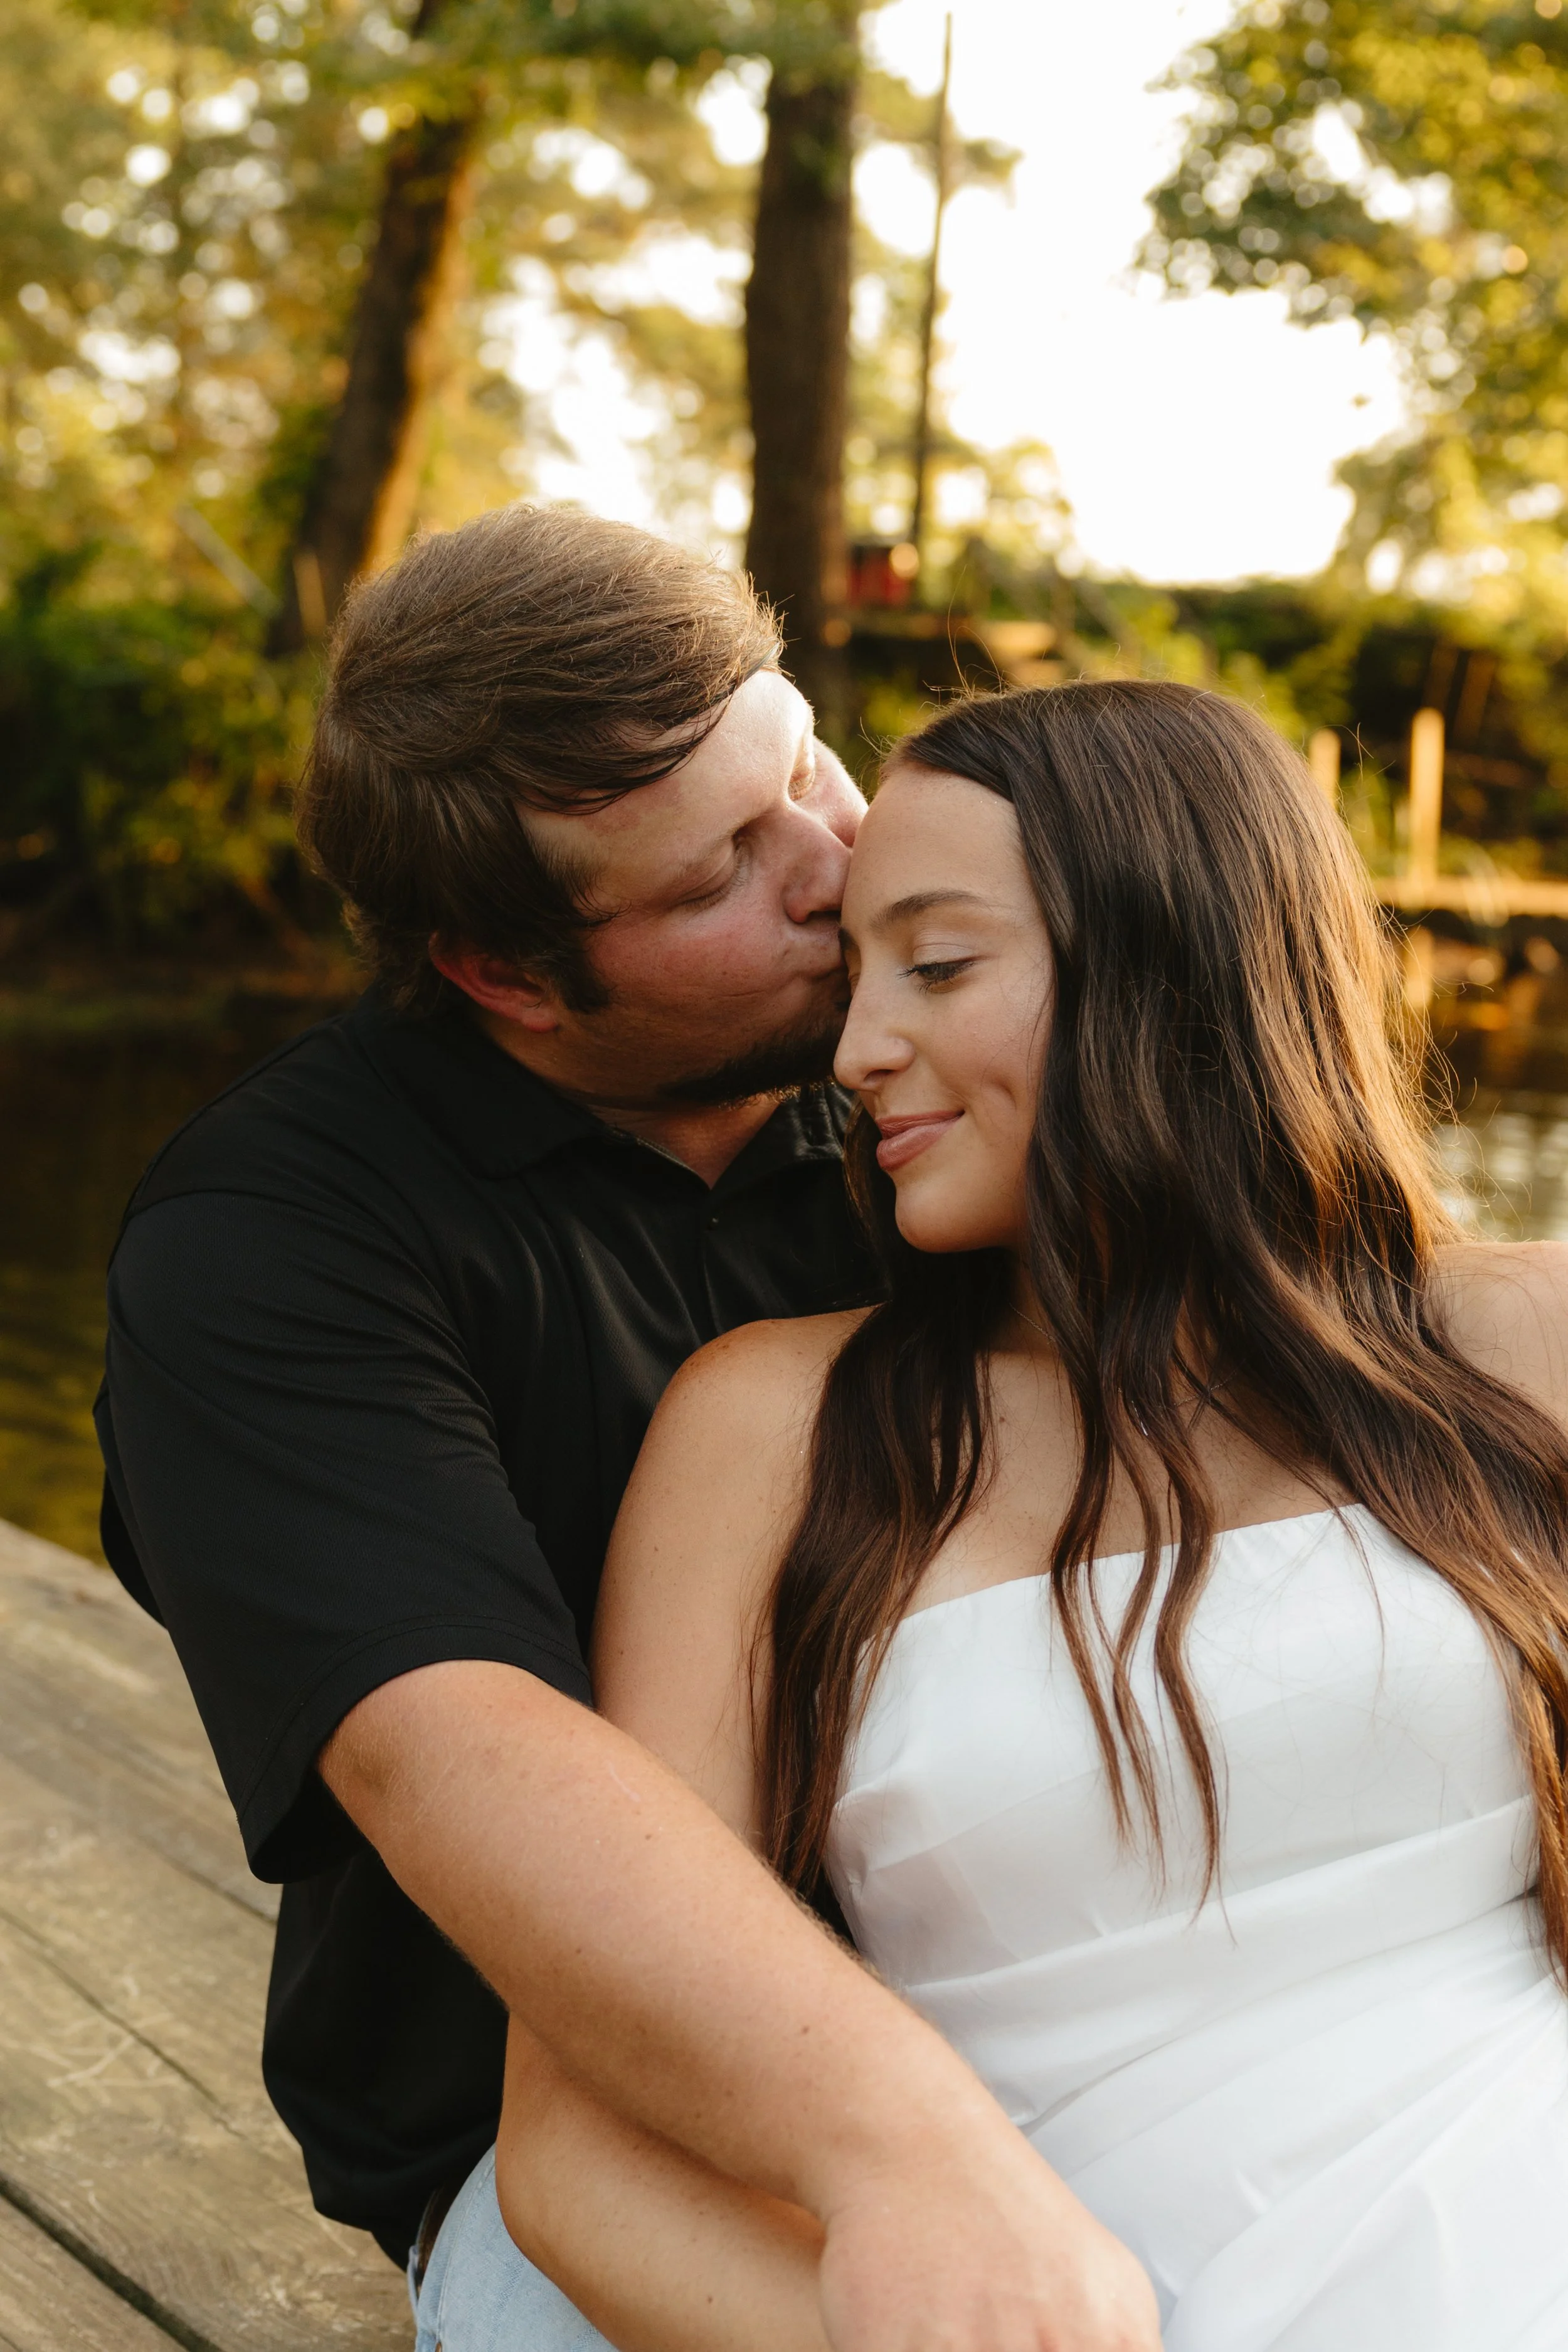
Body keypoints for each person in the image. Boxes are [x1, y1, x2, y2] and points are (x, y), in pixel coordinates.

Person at [96, 508, 1157, 2352]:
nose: (835, 864)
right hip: (604, 2146)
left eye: (807, 760)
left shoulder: (970, 1071)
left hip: (1103, 1989)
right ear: (502, 972)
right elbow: (464, 1753)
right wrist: (910, 2151)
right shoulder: (273, 1248)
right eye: (720, 873)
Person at [469, 679, 1568, 2351]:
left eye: (938, 961)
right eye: (852, 976)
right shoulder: (772, 1430)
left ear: (1175, 964)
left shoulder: (1517, 1336)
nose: (851, 1053)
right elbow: (573, 2151)